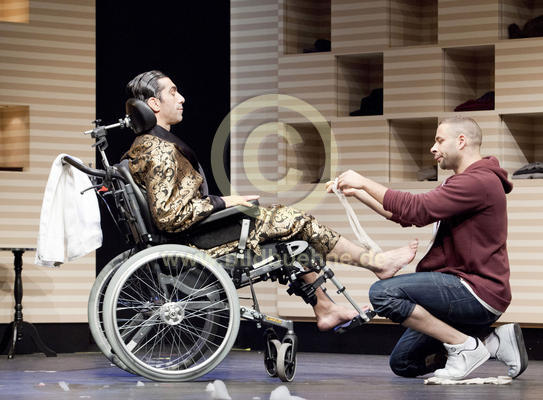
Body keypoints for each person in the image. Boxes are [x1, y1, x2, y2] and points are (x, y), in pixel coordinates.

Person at [120, 70, 419, 331]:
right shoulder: (160, 151)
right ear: (155, 104)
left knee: (292, 238)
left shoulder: (147, 145)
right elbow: (169, 216)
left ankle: (326, 308)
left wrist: (224, 202)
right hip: (197, 243)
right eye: (173, 92)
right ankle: (376, 264)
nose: (182, 98)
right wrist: (225, 203)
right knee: (297, 221)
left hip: (197, 234)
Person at [331, 116, 527, 380]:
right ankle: (492, 342)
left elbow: (417, 209)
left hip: (475, 291)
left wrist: (363, 181)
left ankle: (464, 345)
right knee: (404, 362)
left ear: (461, 141)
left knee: (383, 293)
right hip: (461, 288)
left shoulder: (477, 182)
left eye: (439, 140)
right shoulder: (464, 181)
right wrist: (359, 193)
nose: (433, 148)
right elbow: (405, 216)